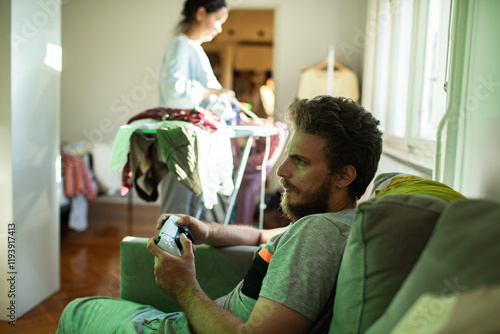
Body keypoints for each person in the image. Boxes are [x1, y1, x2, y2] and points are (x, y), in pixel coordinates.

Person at [57, 95, 383, 333]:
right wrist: (207, 232)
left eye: (300, 161)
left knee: (77, 310)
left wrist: (184, 286)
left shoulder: (317, 235)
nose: (281, 171)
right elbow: (259, 236)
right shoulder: (341, 223)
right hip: (204, 317)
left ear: (344, 176)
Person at [156, 0, 234, 217]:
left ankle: (181, 249)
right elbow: (175, 93)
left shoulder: (195, 49)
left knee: (191, 213)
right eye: (217, 20)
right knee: (176, 212)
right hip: (182, 141)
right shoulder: (180, 45)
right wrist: (213, 92)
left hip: (195, 141)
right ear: (201, 13)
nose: (219, 28)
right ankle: (166, 250)